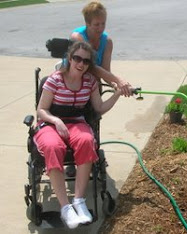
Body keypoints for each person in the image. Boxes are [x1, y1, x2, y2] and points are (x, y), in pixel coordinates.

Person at [33, 41, 127, 229]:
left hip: (76, 122)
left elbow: (99, 107)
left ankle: (79, 202)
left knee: (86, 140)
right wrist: (56, 121)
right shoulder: (55, 79)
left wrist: (117, 94)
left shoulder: (90, 82)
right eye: (77, 58)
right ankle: (66, 208)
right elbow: (41, 110)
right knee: (53, 146)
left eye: (85, 61)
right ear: (69, 58)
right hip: (51, 123)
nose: (81, 63)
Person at [70, 1, 118, 88]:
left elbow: (106, 71)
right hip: (72, 82)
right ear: (87, 24)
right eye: (96, 24)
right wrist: (119, 80)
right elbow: (91, 67)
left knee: (96, 83)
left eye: (103, 23)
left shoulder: (107, 42)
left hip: (92, 83)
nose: (101, 28)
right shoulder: (77, 37)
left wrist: (116, 85)